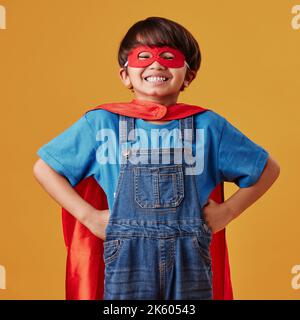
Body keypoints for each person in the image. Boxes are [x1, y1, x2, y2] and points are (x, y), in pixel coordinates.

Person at [33, 16, 280, 300]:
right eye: (143, 56)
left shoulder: (209, 126)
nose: (156, 64)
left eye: (168, 56)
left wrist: (229, 211)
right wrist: (89, 217)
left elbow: (267, 169)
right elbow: (45, 168)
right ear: (125, 74)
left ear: (189, 75)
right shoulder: (102, 124)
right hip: (126, 254)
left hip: (189, 254)